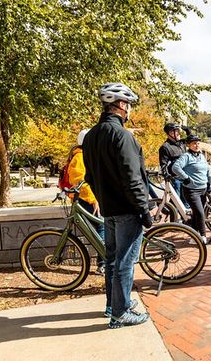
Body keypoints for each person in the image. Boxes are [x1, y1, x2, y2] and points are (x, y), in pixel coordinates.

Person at [82, 82, 151, 329]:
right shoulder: (122, 135)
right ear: (121, 105)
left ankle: (114, 306)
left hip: (109, 209)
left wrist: (103, 199)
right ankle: (120, 313)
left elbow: (89, 176)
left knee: (112, 259)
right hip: (127, 210)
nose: (129, 110)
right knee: (125, 262)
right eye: (129, 105)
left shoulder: (90, 136)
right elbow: (133, 178)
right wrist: (144, 210)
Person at [67, 129, 105, 275]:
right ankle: (104, 263)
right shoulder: (79, 157)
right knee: (100, 228)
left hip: (95, 198)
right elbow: (80, 182)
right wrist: (93, 199)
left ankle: (104, 262)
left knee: (102, 227)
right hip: (87, 200)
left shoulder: (87, 155)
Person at [171, 134, 211, 245]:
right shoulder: (186, 156)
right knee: (200, 213)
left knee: (196, 214)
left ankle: (193, 237)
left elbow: (207, 169)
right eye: (194, 143)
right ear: (189, 145)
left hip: (203, 189)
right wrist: (186, 178)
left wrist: (209, 183)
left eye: (198, 143)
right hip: (191, 190)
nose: (196, 145)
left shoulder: (202, 156)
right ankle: (203, 236)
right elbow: (175, 167)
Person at [158, 122, 190, 206]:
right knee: (177, 202)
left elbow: (192, 140)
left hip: (185, 175)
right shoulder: (165, 147)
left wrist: (188, 131)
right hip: (175, 178)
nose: (179, 133)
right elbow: (163, 164)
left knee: (187, 200)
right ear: (170, 133)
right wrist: (166, 175)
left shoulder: (181, 143)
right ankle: (174, 216)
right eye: (176, 131)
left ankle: (187, 217)